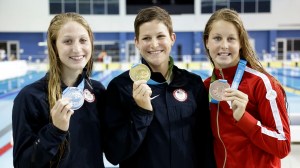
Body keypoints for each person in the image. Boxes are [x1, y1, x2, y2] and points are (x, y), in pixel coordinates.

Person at [104, 6, 215, 168]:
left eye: (160, 36)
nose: (154, 44)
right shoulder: (121, 88)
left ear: (172, 38)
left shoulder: (193, 83)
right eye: (146, 38)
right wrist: (141, 113)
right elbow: (114, 154)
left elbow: (205, 144)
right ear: (136, 42)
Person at [12, 13, 106, 168]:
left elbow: (112, 149)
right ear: (54, 46)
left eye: (83, 40)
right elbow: (23, 164)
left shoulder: (97, 90)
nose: (77, 48)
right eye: (68, 41)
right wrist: (55, 131)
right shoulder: (30, 97)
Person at [202, 8, 291, 168]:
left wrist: (244, 119)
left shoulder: (261, 83)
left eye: (231, 39)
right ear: (207, 42)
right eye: (217, 38)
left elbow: (283, 145)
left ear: (241, 43)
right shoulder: (207, 86)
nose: (224, 45)